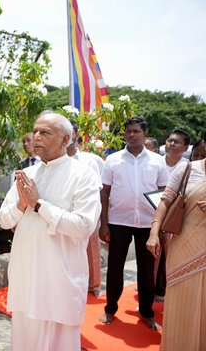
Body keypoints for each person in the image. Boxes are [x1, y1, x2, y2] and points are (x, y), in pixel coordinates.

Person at [0, 112, 101, 350]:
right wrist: (22, 204)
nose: (36, 137)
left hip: (59, 278)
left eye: (45, 132)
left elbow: (84, 227)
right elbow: (4, 220)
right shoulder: (28, 175)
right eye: (35, 131)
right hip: (27, 276)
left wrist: (39, 204)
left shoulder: (83, 175)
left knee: (59, 343)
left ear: (65, 140)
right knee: (26, 340)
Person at [99, 117, 169, 331]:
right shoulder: (113, 160)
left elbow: (164, 195)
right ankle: (110, 309)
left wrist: (162, 228)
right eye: (128, 131)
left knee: (147, 270)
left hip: (149, 224)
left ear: (145, 134)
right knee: (114, 269)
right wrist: (104, 224)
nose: (131, 135)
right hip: (119, 221)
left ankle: (147, 312)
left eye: (136, 131)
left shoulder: (158, 161)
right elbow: (105, 192)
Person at [146, 157, 206, 350]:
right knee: (181, 302)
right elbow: (165, 202)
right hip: (184, 247)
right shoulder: (187, 169)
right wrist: (154, 234)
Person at [67, 119, 104, 297]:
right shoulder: (53, 158)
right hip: (62, 209)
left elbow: (97, 189)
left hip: (86, 208)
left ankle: (94, 284)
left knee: (91, 247)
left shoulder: (90, 160)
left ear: (75, 134)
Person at [154, 129, 191, 302]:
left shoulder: (188, 167)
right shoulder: (155, 162)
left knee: (170, 257)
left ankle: (164, 290)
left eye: (177, 142)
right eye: (170, 140)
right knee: (152, 257)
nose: (172, 144)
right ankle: (150, 290)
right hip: (152, 215)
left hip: (176, 220)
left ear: (185, 147)